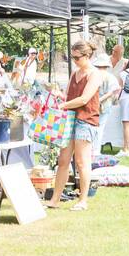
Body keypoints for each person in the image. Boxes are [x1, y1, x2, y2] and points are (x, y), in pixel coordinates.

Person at [48, 42, 102, 210]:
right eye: (72, 57)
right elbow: (68, 96)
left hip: (86, 120)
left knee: (81, 161)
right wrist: (58, 95)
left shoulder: (95, 74)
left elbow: (85, 99)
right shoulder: (74, 74)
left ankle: (83, 201)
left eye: (77, 57)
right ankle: (54, 200)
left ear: (87, 56)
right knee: (63, 160)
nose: (75, 60)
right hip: (70, 120)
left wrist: (63, 105)